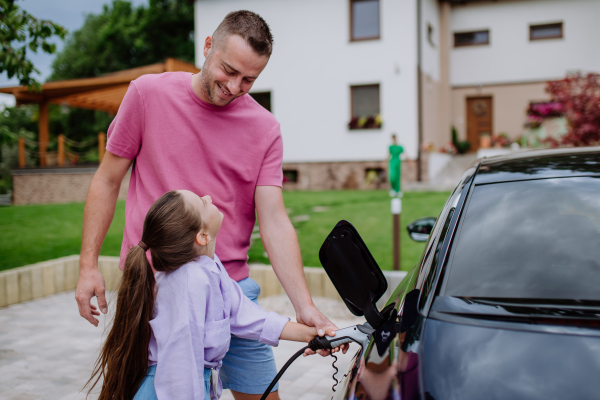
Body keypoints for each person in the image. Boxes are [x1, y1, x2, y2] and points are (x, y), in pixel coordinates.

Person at [75, 10, 341, 400]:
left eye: (249, 79)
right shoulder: (147, 95)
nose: (234, 86)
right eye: (228, 70)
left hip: (231, 292)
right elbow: (107, 179)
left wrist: (305, 306)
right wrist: (87, 267)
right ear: (207, 47)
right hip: (151, 293)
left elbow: (274, 219)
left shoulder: (265, 129)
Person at [86, 190, 332, 400]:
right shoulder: (189, 282)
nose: (207, 196)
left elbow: (247, 316)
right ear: (202, 236)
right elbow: (180, 364)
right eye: (203, 203)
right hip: (170, 391)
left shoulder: (208, 267)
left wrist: (314, 334)